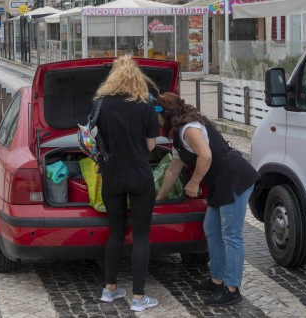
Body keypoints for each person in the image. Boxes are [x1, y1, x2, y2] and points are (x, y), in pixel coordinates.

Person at [153, 92, 260, 307]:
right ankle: (216, 279)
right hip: (220, 182)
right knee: (211, 228)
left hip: (233, 178)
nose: (153, 120)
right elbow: (173, 171)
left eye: (155, 115)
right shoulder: (177, 136)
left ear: (165, 115)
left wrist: (194, 182)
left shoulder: (189, 129)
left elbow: (206, 155)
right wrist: (158, 199)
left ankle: (231, 289)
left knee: (231, 235)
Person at [94, 55, 160, 312]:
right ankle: (139, 298)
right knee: (141, 236)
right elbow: (152, 145)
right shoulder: (145, 105)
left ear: (113, 78)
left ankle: (109, 290)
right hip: (140, 176)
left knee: (116, 232)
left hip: (111, 176)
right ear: (137, 78)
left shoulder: (101, 104)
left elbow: (92, 136)